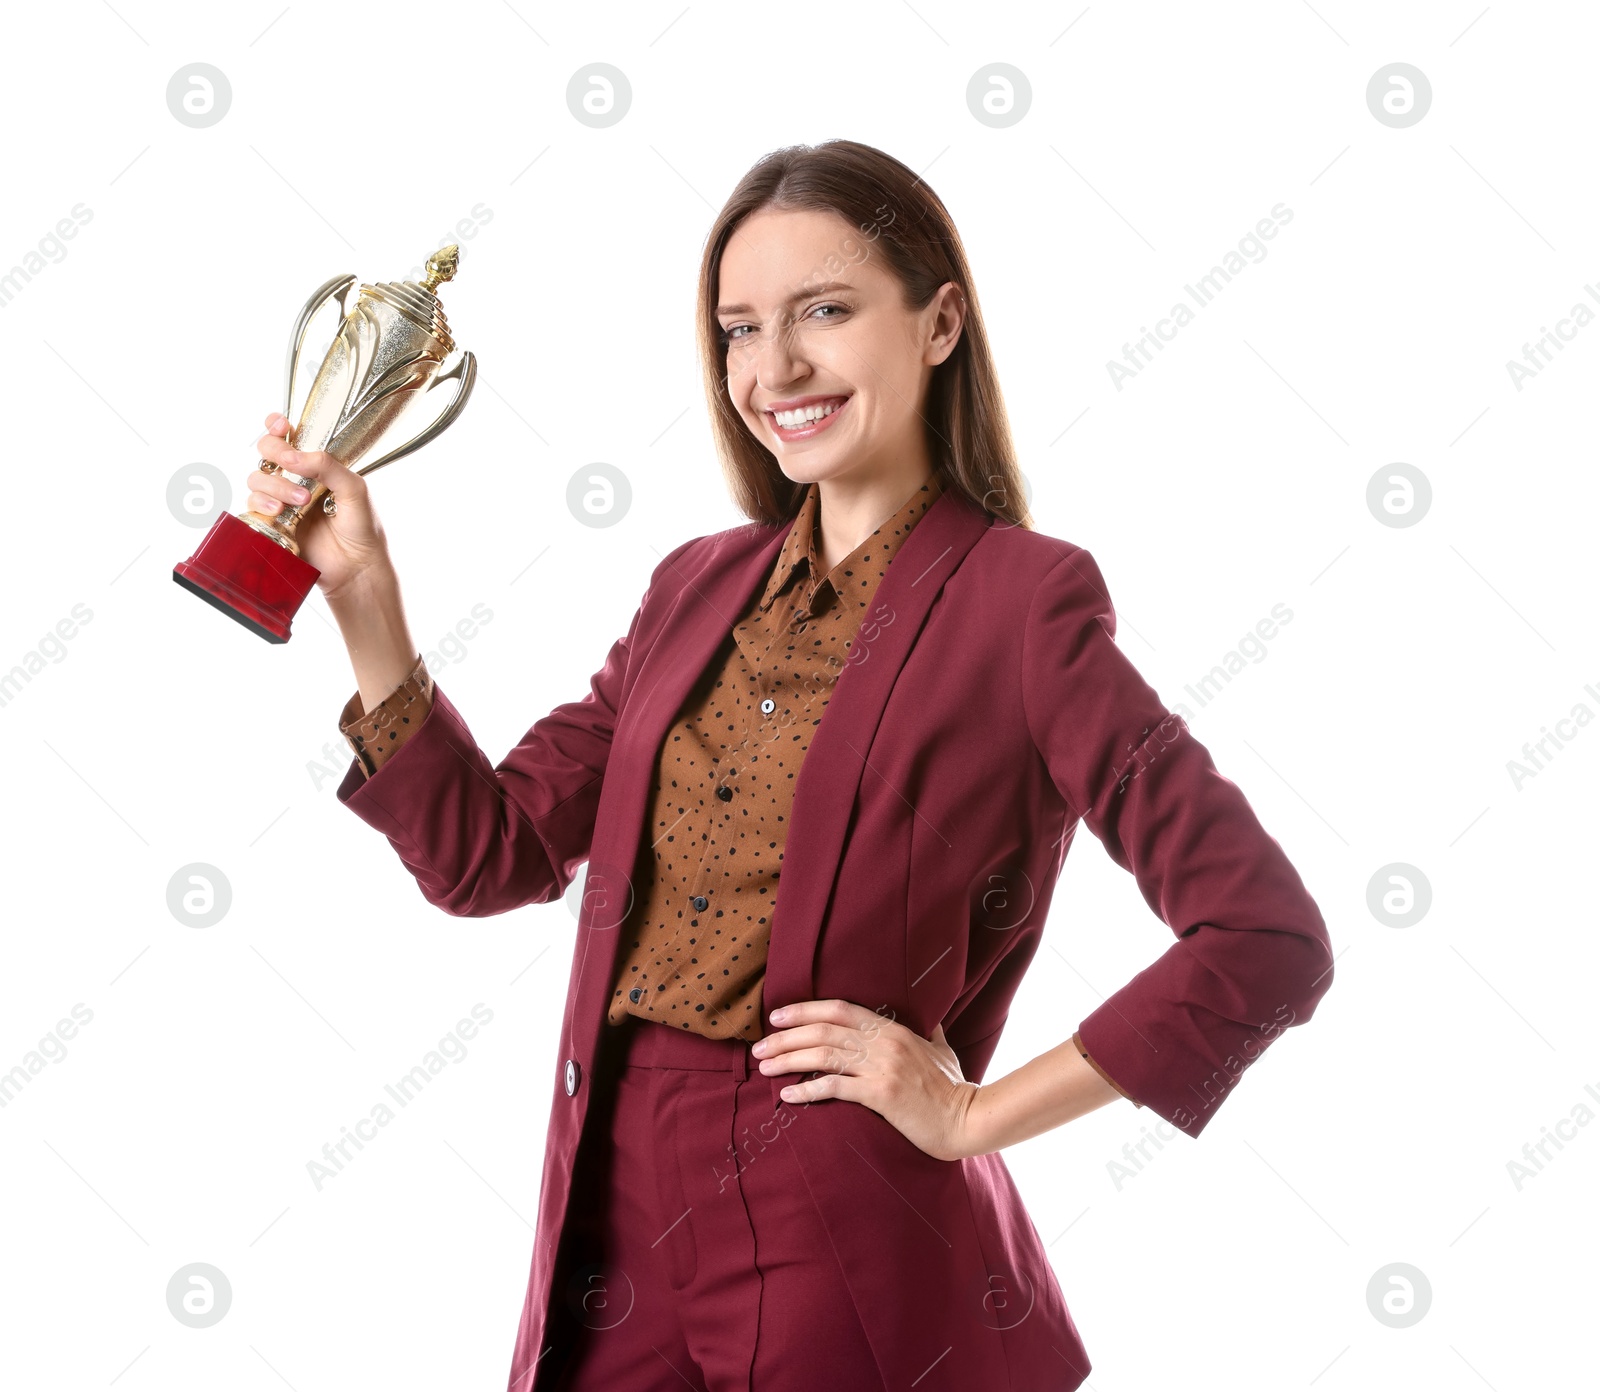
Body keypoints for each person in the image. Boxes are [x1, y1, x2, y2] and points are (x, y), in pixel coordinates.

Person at [245, 140, 1334, 1392]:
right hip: (608, 1204)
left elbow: (1264, 935)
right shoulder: (693, 585)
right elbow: (490, 857)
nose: (776, 370)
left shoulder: (1023, 607)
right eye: (740, 327)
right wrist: (369, 602)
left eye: (824, 311)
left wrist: (972, 1114)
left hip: (839, 1218)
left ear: (938, 325)